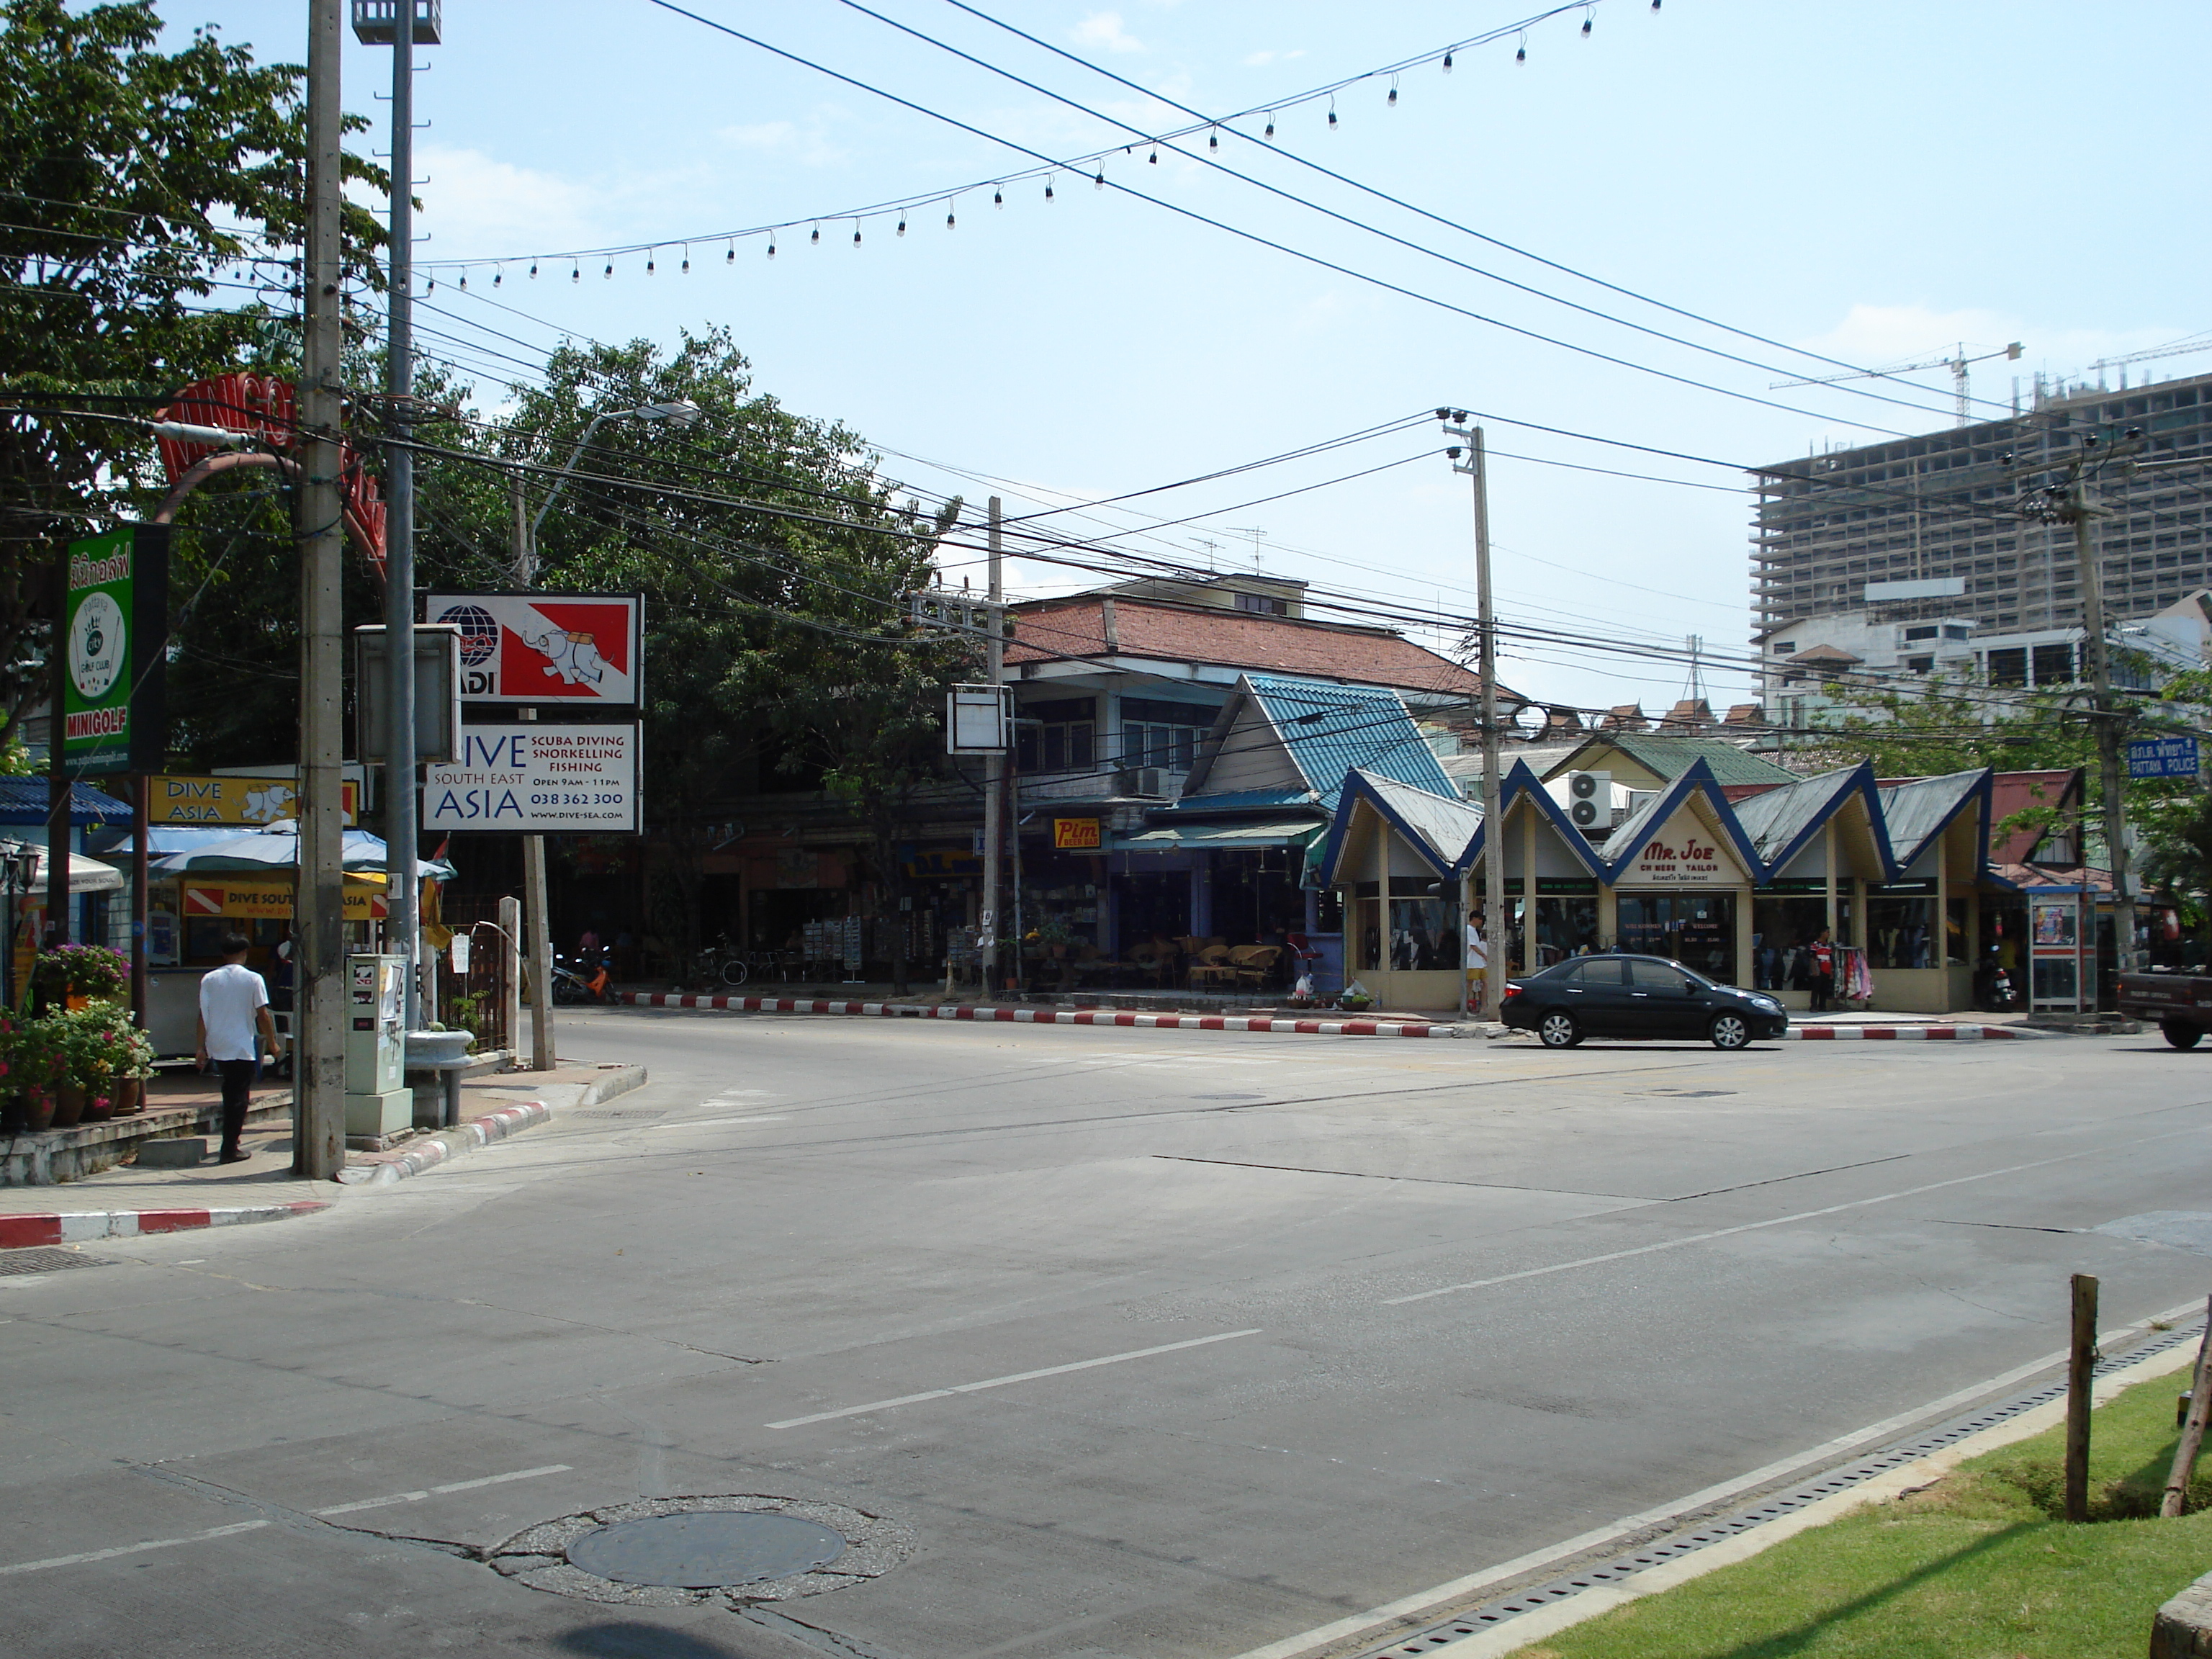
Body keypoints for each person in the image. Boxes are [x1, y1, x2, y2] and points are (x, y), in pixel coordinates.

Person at [197, 932, 281, 1164]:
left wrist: (200, 1048)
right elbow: (263, 1015)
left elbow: (203, 1016)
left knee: (229, 1091)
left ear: (224, 954)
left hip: (217, 1044)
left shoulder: (209, 979)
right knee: (239, 1098)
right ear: (244, 954)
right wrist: (272, 1043)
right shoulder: (253, 979)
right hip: (242, 1045)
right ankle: (229, 1148)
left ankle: (232, 1140)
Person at [1808, 927, 1836, 1014]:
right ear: (1822, 933)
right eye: (1827, 932)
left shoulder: (1828, 946)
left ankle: (1822, 1006)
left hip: (1827, 969)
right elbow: (1812, 958)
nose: (1828, 934)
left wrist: (1831, 972)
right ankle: (1814, 1006)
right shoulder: (1815, 945)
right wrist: (1814, 970)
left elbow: (1830, 959)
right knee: (1816, 989)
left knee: (1824, 989)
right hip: (1819, 969)